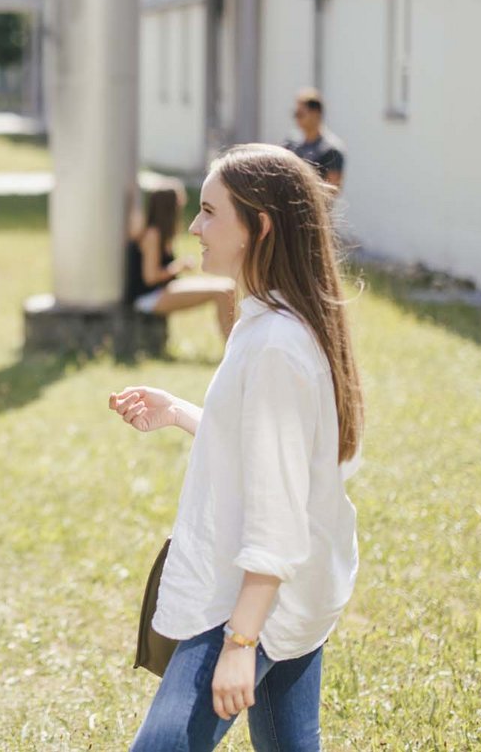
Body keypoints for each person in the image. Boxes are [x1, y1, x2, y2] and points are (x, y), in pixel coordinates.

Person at [109, 143, 363, 752]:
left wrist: (240, 643)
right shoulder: (273, 321)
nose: (194, 227)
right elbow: (276, 452)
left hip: (248, 602)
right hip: (288, 592)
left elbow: (277, 511)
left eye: (209, 211)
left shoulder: (275, 342)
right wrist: (181, 413)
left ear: (259, 227)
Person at [126, 180, 237, 341]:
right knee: (222, 292)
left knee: (229, 287)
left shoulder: (163, 233)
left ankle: (235, 343)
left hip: (162, 290)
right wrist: (179, 267)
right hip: (148, 298)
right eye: (179, 204)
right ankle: (230, 348)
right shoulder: (152, 235)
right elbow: (150, 277)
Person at [283, 90, 345, 191]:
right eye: (296, 114)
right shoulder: (291, 144)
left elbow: (332, 190)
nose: (297, 118)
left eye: (301, 114)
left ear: (315, 114)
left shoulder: (331, 149)